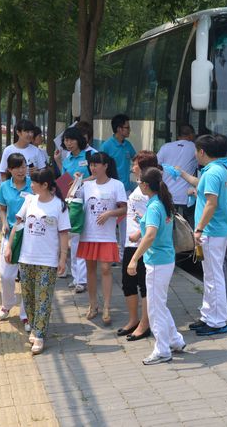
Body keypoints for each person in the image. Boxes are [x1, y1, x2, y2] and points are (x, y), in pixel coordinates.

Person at [5, 168, 70, 354]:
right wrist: (9, 246)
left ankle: (39, 335)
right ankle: (34, 327)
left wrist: (62, 258)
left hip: (48, 261)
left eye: (33, 182)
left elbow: (63, 234)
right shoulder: (30, 200)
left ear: (45, 185)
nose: (30, 185)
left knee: (43, 298)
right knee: (29, 297)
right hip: (26, 258)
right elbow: (17, 225)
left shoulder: (59, 206)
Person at [127, 167, 186, 365]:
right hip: (165, 259)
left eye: (138, 182)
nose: (138, 185)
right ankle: (176, 341)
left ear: (145, 185)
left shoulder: (153, 206)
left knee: (154, 308)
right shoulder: (161, 202)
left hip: (157, 262)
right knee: (159, 304)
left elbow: (151, 234)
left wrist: (134, 258)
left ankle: (162, 350)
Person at [188, 134, 227, 336]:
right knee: (210, 275)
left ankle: (217, 321)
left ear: (202, 152)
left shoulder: (211, 173)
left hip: (211, 231)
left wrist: (198, 228)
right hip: (218, 229)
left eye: (195, 151)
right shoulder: (222, 169)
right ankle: (208, 316)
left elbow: (211, 203)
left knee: (214, 276)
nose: (195, 155)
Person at [76, 152, 127, 325]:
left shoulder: (117, 185)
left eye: (97, 164)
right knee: (90, 269)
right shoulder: (87, 185)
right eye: (91, 165)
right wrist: (79, 181)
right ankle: (93, 304)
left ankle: (106, 306)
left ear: (106, 166)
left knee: (105, 269)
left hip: (107, 235)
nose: (93, 167)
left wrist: (110, 213)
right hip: (88, 234)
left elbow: (124, 209)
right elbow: (71, 198)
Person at [119, 151, 160, 341]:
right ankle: (133, 320)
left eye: (135, 163)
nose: (132, 166)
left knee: (144, 284)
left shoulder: (149, 190)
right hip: (130, 242)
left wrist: (140, 232)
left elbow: (153, 219)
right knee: (128, 282)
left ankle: (145, 324)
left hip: (142, 244)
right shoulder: (139, 187)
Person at [52, 126, 90, 289]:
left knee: (82, 239)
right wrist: (59, 162)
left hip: (88, 202)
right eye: (66, 140)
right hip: (73, 204)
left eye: (71, 140)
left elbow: (98, 175)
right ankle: (78, 278)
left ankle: (82, 278)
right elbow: (64, 179)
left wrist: (82, 181)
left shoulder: (90, 155)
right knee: (74, 239)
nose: (68, 143)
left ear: (79, 140)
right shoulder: (67, 159)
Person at [0, 153, 31, 331]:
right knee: (6, 274)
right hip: (10, 235)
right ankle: (7, 303)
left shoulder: (34, 184)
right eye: (17, 167)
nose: (21, 170)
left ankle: (26, 315)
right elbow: (2, 209)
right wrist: (3, 223)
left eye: (23, 166)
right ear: (9, 169)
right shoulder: (4, 186)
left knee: (26, 276)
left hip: (30, 236)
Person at [100, 114, 136, 262]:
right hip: (110, 190)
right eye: (127, 127)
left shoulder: (128, 145)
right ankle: (108, 254)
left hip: (125, 190)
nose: (129, 130)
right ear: (119, 129)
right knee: (108, 222)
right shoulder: (107, 146)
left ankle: (121, 256)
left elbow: (135, 159)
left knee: (124, 224)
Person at [157, 124, 197, 223]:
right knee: (191, 224)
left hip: (168, 194)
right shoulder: (195, 148)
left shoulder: (165, 147)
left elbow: (156, 164)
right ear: (191, 135)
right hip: (187, 197)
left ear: (178, 136)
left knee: (168, 223)